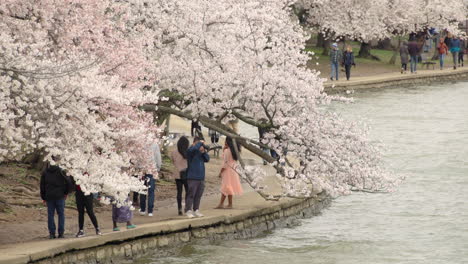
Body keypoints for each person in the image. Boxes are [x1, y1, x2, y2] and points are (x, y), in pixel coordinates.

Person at [40, 161, 71, 239]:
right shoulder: (61, 171)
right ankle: (61, 233)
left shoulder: (45, 172)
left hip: (49, 196)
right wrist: (65, 192)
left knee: (50, 215)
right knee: (61, 214)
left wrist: (43, 197)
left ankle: (52, 233)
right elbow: (68, 182)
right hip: (60, 196)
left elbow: (42, 186)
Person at [185, 136, 210, 218]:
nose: (200, 146)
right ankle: (188, 210)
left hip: (201, 177)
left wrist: (203, 152)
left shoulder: (200, 152)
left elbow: (207, 159)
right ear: (194, 143)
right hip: (192, 176)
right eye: (198, 144)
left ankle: (196, 210)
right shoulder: (190, 151)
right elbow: (192, 150)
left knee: (198, 195)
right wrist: (200, 143)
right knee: (191, 194)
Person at [215, 137, 243, 209]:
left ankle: (222, 204)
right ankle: (229, 204)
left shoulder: (227, 151)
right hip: (233, 169)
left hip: (228, 170)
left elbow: (225, 163)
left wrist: (220, 172)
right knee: (229, 187)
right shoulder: (235, 151)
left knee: (226, 186)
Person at [139, 142, 161, 217]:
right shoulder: (155, 144)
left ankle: (142, 209)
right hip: (152, 170)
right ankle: (150, 211)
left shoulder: (140, 143)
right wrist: (158, 167)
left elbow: (138, 157)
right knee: (151, 191)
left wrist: (138, 167)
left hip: (142, 170)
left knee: (142, 190)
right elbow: (158, 157)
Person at [171, 136, 189, 216]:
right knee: (187, 192)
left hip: (177, 174)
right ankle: (187, 207)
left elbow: (173, 161)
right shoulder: (187, 152)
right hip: (186, 174)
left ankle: (179, 209)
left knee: (179, 192)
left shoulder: (174, 152)